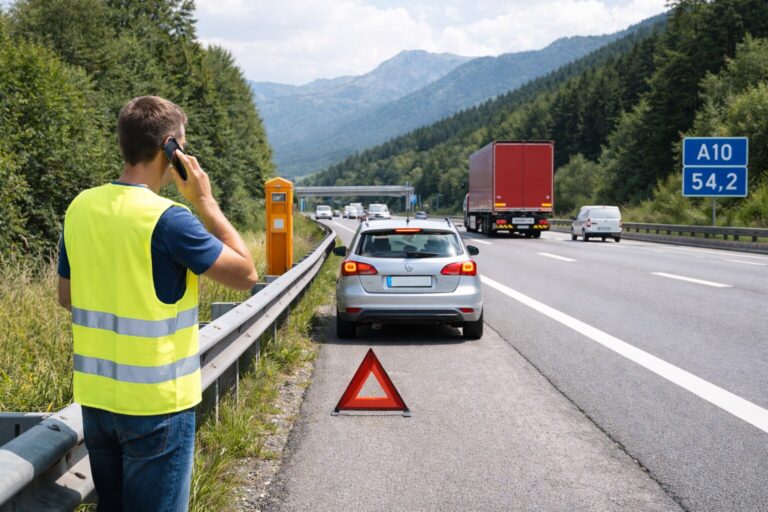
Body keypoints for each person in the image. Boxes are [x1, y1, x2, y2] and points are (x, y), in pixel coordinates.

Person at [57, 95, 259, 511]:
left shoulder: (80, 208)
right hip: (157, 408)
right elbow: (246, 275)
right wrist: (204, 201)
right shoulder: (170, 219)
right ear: (172, 148)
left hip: (97, 403)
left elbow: (67, 295)